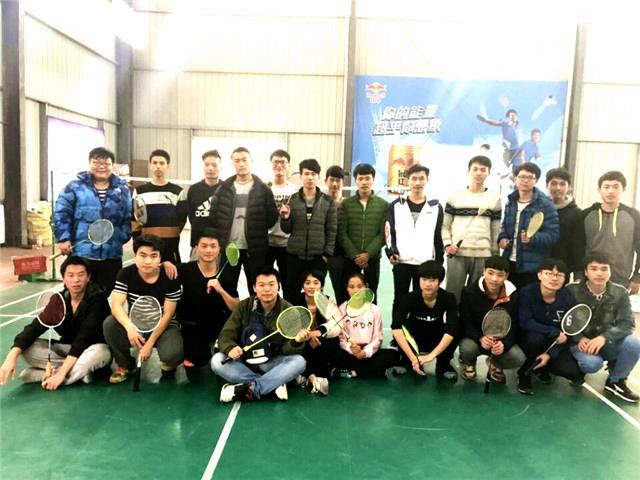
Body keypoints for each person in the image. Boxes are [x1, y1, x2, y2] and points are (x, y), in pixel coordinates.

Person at [0, 257, 111, 389]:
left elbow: (83, 339)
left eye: (81, 275)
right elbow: (35, 327)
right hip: (66, 349)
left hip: (90, 349)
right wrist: (11, 357)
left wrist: (61, 374)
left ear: (88, 277)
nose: (76, 280)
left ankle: (52, 376)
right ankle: (81, 373)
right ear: (64, 278)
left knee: (102, 352)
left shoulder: (98, 300)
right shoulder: (59, 300)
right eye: (70, 275)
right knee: (28, 348)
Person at [211, 266, 308, 402]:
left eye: (271, 284)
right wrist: (230, 348)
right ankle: (273, 384)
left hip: (271, 364)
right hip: (245, 362)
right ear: (254, 288)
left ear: (279, 286)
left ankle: (252, 388)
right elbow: (226, 335)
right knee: (217, 361)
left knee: (299, 362)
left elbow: (287, 351)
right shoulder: (244, 306)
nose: (267, 289)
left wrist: (296, 342)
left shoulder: (290, 312)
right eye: (261, 285)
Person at [103, 234, 183, 384]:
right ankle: (126, 365)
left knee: (172, 355)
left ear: (160, 258)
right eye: (143, 255)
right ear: (135, 255)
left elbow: (168, 314)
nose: (147, 261)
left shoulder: (169, 277)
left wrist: (150, 343)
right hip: (136, 323)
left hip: (164, 326)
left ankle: (169, 362)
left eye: (153, 256)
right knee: (110, 324)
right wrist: (129, 327)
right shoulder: (126, 273)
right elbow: (116, 305)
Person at [54, 147, 131, 294]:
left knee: (104, 294)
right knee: (76, 293)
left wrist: (121, 237)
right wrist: (63, 238)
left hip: (111, 255)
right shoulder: (74, 187)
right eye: (96, 162)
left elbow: (127, 217)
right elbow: (61, 212)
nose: (101, 167)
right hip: (82, 254)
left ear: (112, 165)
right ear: (89, 163)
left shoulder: (122, 189)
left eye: (106, 163)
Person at [567, 254, 640, 403]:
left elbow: (628, 324)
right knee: (591, 364)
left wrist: (604, 337)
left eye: (604, 269)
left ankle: (616, 381)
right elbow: (564, 320)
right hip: (581, 343)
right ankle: (575, 370)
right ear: (586, 272)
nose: (599, 273)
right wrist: (579, 338)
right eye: (594, 269)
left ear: (610, 271)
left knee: (633, 344)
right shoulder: (572, 290)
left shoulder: (620, 292)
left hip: (607, 342)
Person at [208, 147, 278, 295]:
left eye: (244, 160)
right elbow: (214, 217)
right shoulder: (224, 188)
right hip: (229, 248)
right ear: (232, 163)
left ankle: (255, 311)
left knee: (256, 289)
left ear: (251, 161)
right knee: (227, 288)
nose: (241, 164)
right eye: (237, 160)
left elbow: (271, 219)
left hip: (255, 250)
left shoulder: (263, 189)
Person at [516, 258, 584, 395]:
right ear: (539, 275)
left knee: (573, 372)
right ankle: (524, 374)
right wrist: (553, 331)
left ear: (564, 279)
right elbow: (526, 322)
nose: (554, 278)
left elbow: (570, 329)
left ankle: (544, 367)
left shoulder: (567, 297)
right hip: (528, 338)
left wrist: (550, 353)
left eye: (559, 275)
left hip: (555, 343)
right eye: (549, 273)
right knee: (534, 339)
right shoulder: (526, 293)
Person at [385, 164, 444, 319]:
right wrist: (391, 252)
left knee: (422, 300)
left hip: (425, 264)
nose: (418, 183)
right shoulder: (396, 205)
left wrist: (439, 262)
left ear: (427, 180)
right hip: (402, 262)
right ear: (407, 181)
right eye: (414, 178)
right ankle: (397, 330)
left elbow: (438, 236)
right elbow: (389, 232)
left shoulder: (436, 207)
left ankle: (418, 331)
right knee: (400, 299)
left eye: (421, 178)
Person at [442, 155, 501, 302]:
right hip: (458, 253)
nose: (479, 173)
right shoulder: (455, 195)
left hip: (483, 255)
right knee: (453, 295)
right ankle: (453, 318)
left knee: (477, 297)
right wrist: (448, 244)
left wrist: (494, 254)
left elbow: (495, 229)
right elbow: (445, 225)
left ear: (489, 172)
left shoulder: (494, 198)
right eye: (475, 169)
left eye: (483, 169)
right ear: (469, 171)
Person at [177, 229, 239, 368]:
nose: (208, 250)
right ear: (196, 248)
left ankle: (215, 342)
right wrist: (166, 264)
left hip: (218, 324)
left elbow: (236, 307)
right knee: (200, 360)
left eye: (213, 246)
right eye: (204, 246)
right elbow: (161, 272)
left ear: (219, 249)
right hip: (192, 325)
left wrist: (221, 290)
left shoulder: (226, 275)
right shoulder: (186, 270)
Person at [458, 256, 525, 383]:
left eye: (500, 275)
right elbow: (465, 321)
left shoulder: (514, 295)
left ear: (506, 276)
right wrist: (480, 338)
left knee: (518, 358)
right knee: (467, 347)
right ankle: (469, 364)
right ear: (483, 271)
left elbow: (515, 325)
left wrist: (504, 344)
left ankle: (495, 364)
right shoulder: (469, 292)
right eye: (490, 273)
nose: (494, 279)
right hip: (477, 339)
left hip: (500, 340)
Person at [280, 159, 337, 301]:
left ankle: (315, 316)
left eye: (313, 174)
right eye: (306, 174)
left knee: (316, 295)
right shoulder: (291, 200)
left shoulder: (327, 201)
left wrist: (326, 255)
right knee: (291, 293)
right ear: (301, 176)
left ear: (318, 177)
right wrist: (285, 218)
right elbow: (286, 230)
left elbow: (332, 230)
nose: (310, 177)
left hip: (318, 258)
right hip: (295, 256)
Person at [391, 260, 459, 381]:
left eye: (432, 280)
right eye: (424, 279)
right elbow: (396, 327)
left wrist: (431, 356)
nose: (427, 284)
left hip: (435, 336)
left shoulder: (449, 298)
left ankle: (443, 364)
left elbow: (451, 329)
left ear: (440, 281)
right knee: (402, 330)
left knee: (456, 331)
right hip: (415, 337)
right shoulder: (409, 297)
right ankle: (406, 360)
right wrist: (412, 357)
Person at [577, 171, 640, 294]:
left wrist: (637, 276)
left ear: (623, 189)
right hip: (590, 277)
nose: (611, 191)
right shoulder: (585, 215)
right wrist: (579, 273)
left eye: (616, 187)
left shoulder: (634, 216)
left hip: (621, 279)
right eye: (606, 187)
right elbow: (578, 247)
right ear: (599, 190)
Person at [498, 163, 559, 288]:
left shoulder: (545, 204)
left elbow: (553, 235)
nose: (525, 181)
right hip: (509, 263)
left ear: (536, 180)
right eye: (522, 177)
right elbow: (504, 226)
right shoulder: (511, 202)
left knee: (528, 298)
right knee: (509, 298)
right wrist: (502, 238)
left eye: (530, 177)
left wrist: (532, 238)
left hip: (533, 267)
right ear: (515, 178)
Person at [338, 163, 388, 303]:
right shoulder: (346, 204)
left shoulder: (383, 205)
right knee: (348, 294)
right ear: (356, 181)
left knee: (371, 294)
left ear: (373, 180)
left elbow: (383, 234)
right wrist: (356, 255)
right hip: (351, 258)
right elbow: (342, 233)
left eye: (367, 178)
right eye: (361, 179)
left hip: (372, 258)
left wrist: (368, 254)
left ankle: (372, 318)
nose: (364, 182)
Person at [334, 273, 397, 379]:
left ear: (366, 287)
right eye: (351, 287)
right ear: (347, 289)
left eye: (360, 286)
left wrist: (365, 352)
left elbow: (378, 338)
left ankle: (353, 373)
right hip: (350, 353)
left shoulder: (375, 310)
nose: (356, 290)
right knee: (335, 355)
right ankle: (369, 371)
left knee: (393, 355)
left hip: (368, 353)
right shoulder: (342, 309)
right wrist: (351, 349)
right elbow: (341, 339)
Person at [131, 149, 184, 264]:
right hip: (148, 248)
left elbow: (181, 220)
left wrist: (170, 234)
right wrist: (139, 243)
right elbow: (135, 221)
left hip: (171, 248)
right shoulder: (139, 191)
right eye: (154, 163)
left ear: (167, 166)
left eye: (161, 163)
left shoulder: (178, 191)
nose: (158, 166)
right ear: (150, 165)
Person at [296, 269, 340, 395]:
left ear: (322, 286)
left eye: (316, 283)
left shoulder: (328, 301)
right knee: (300, 348)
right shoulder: (295, 301)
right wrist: (308, 337)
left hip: (320, 338)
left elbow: (335, 324)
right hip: (303, 339)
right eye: (307, 283)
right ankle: (313, 378)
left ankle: (306, 376)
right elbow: (292, 326)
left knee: (333, 342)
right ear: (302, 285)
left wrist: (318, 334)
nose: (311, 286)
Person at [176, 150, 222, 260]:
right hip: (198, 245)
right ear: (203, 167)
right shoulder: (193, 190)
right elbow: (191, 216)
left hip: (220, 246)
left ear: (221, 167)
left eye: (214, 165)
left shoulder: (227, 189)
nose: (210, 168)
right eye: (207, 165)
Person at [266, 149, 298, 296]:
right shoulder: (264, 189)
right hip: (267, 244)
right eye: (276, 162)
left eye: (283, 162)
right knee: (266, 282)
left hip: (287, 245)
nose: (279, 165)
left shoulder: (295, 191)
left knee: (288, 284)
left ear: (288, 165)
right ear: (271, 164)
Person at [546, 167, 582, 276]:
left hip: (562, 268)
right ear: (547, 185)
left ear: (569, 187)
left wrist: (577, 271)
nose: (558, 188)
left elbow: (578, 245)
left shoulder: (576, 213)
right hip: (539, 265)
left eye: (562, 184)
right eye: (554, 183)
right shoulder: (540, 208)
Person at [324, 165, 348, 303]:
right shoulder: (320, 202)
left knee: (341, 292)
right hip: (321, 255)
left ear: (343, 183)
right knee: (316, 290)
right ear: (326, 181)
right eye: (331, 180)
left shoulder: (347, 204)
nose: (334, 184)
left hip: (339, 255)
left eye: (338, 180)